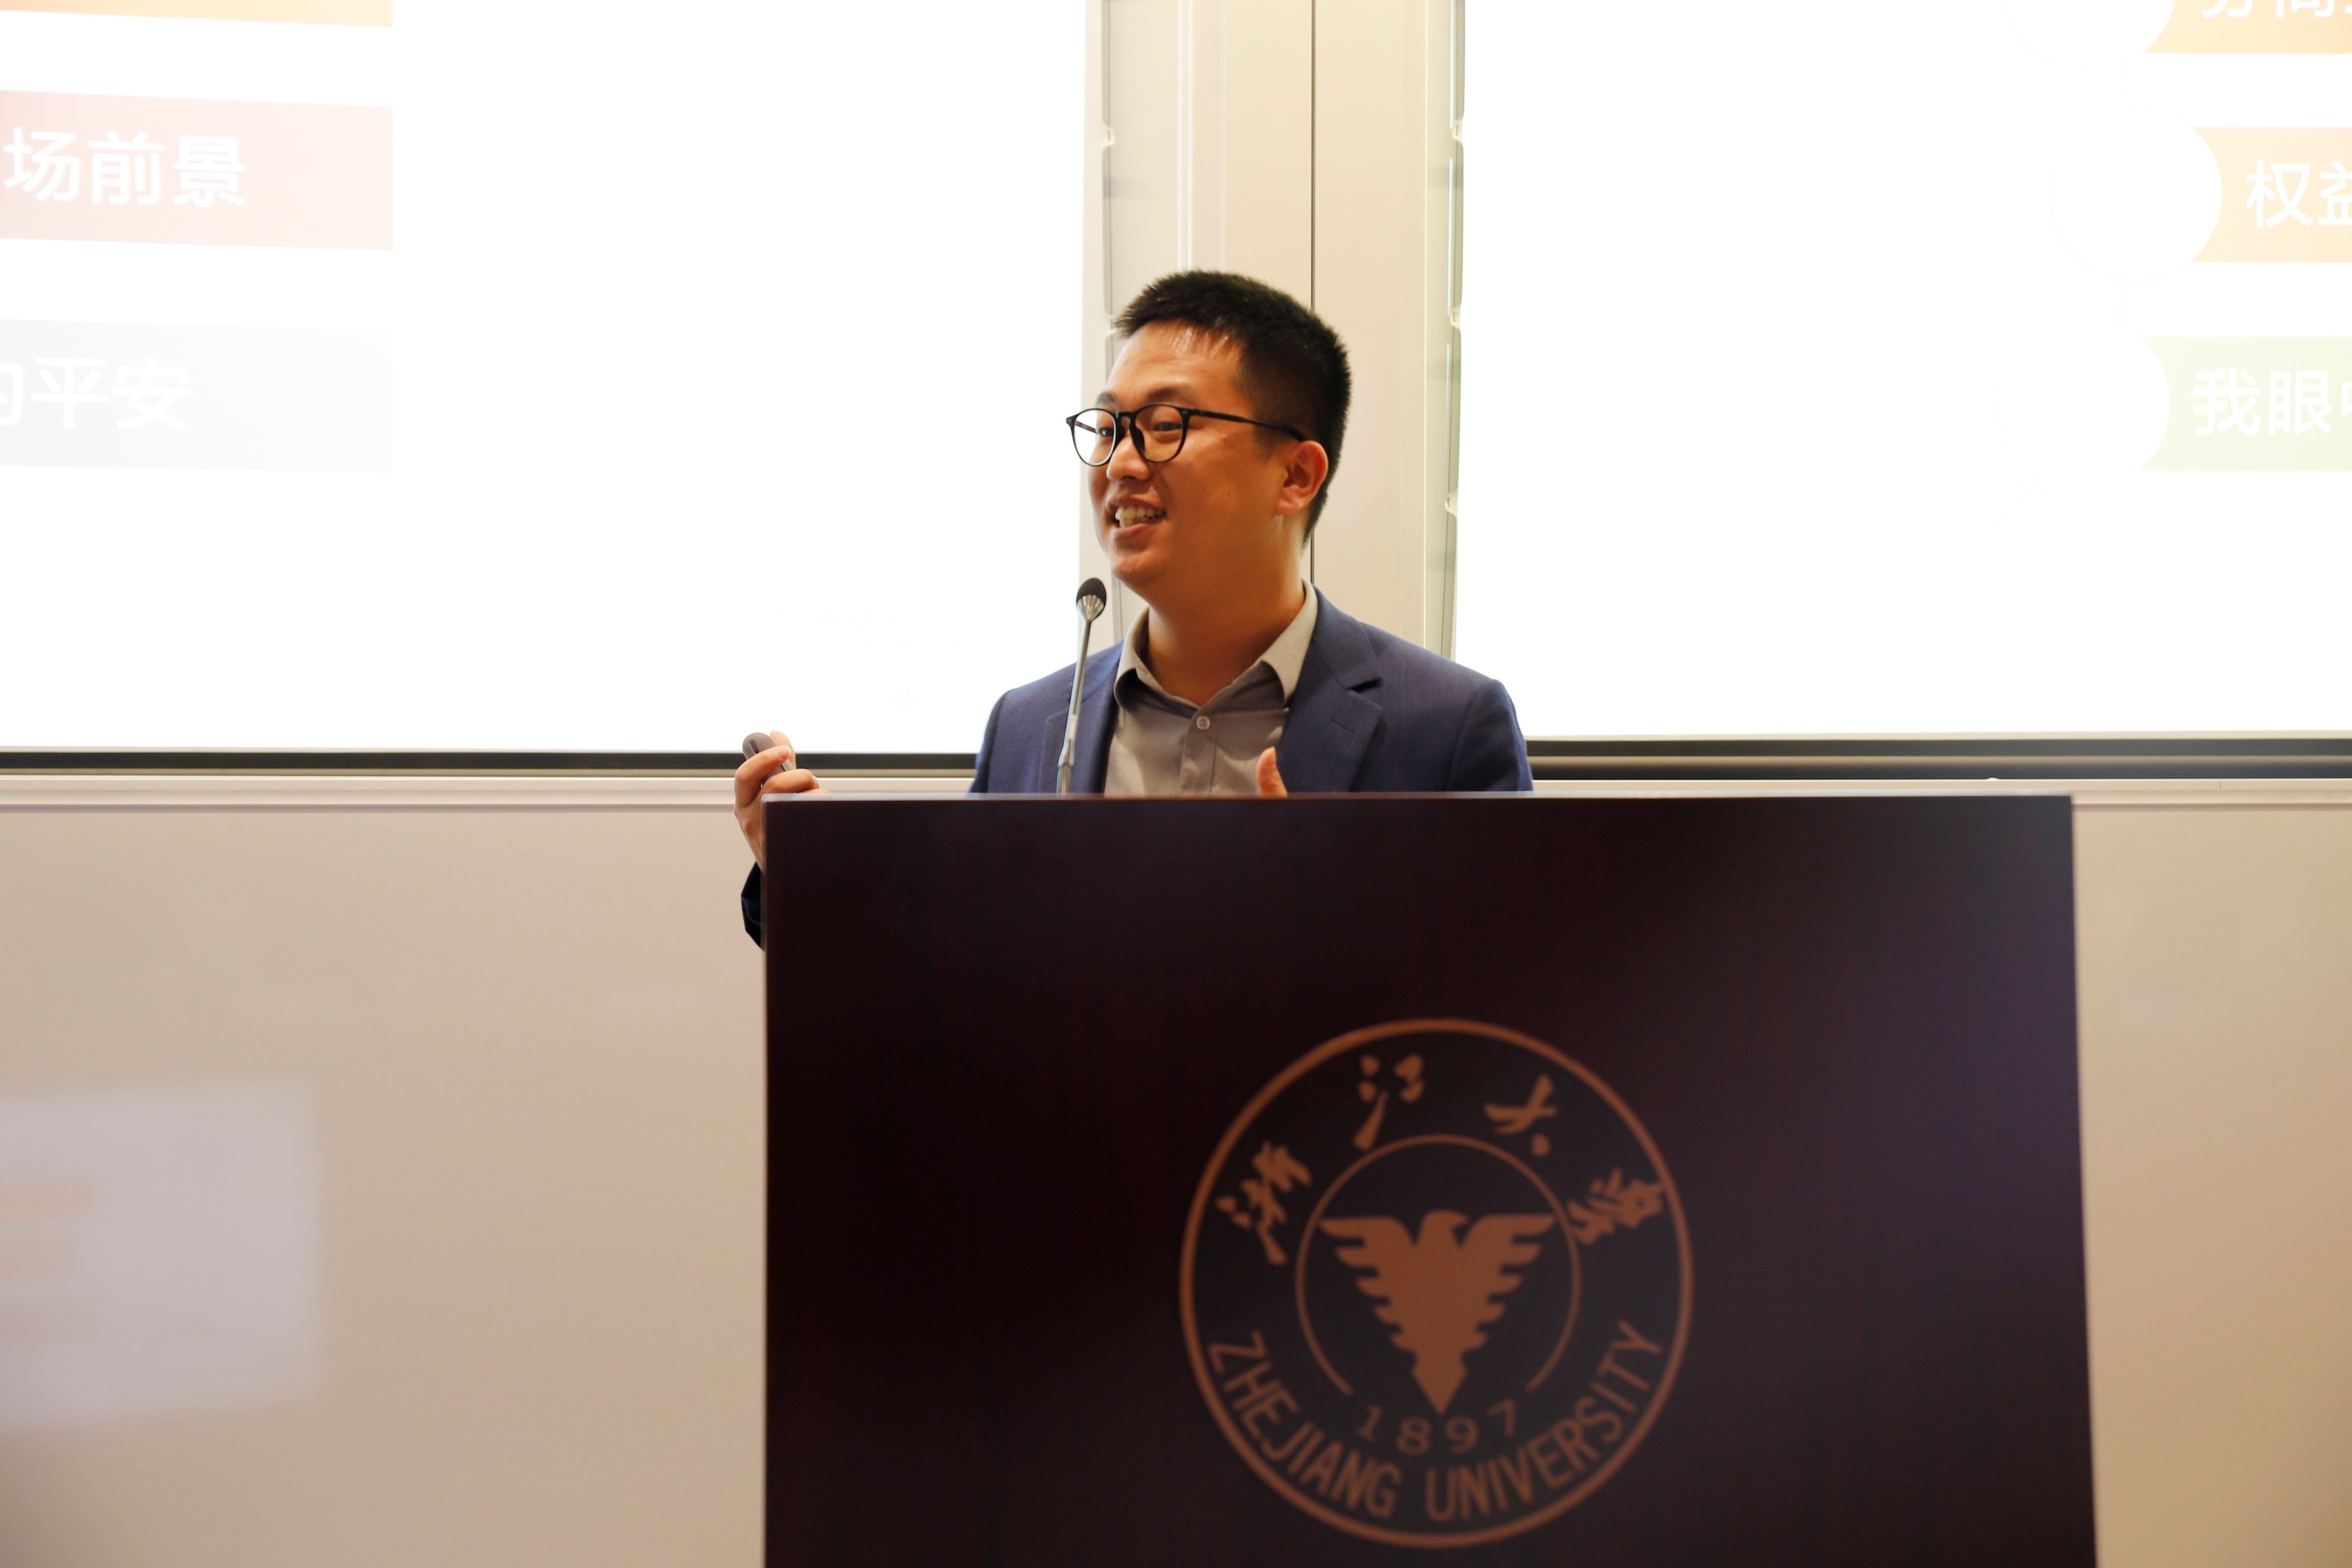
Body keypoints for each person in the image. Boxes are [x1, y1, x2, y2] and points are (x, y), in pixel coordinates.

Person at [735, 270, 1530, 944]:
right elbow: (954, 973)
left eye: (1162, 426)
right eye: (1109, 426)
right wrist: (815, 871)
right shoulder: (1031, 726)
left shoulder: (1447, 728)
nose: (1119, 463)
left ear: (1295, 475)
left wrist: (1317, 908)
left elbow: (1508, 1000)